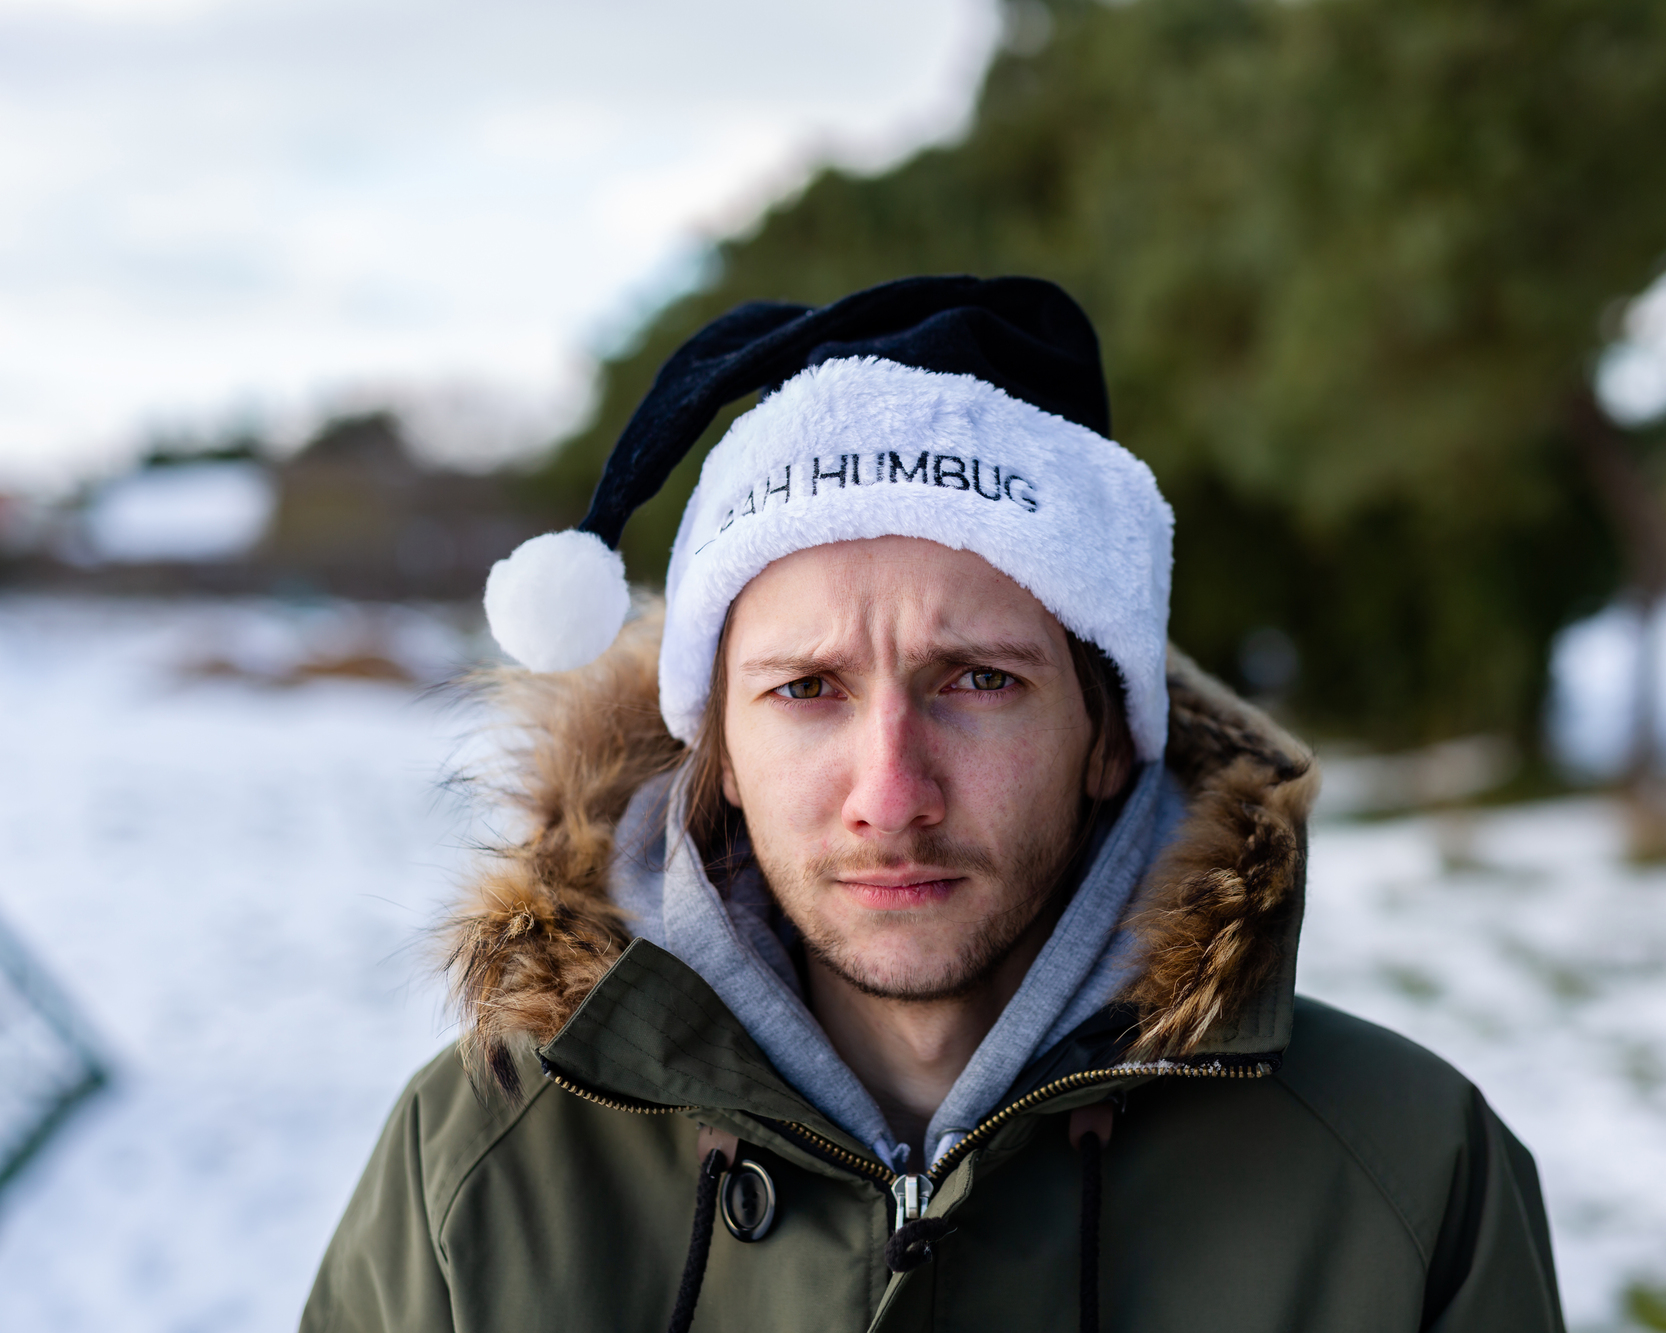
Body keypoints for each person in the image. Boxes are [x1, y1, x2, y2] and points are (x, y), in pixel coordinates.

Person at [303, 276, 1565, 1332]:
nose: (889, 793)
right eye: (805, 688)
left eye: (977, 679)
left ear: (1109, 734)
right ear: (720, 752)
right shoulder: (477, 1165)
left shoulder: (1404, 1173)